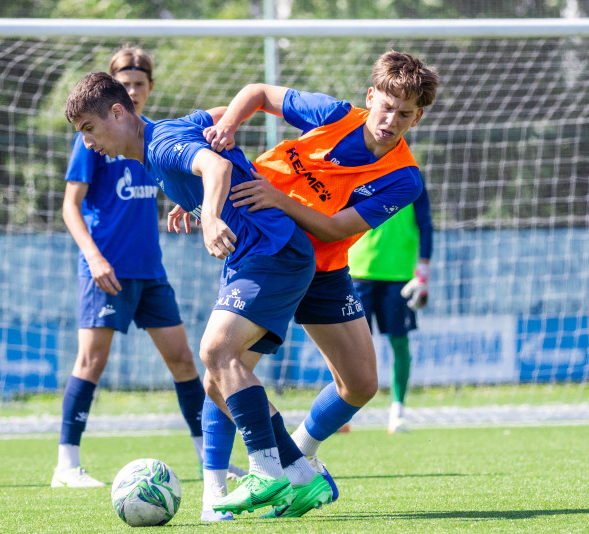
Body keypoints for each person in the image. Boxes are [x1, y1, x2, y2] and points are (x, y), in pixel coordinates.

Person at [65, 72, 331, 520]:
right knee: (217, 378)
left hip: (272, 252)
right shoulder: (165, 135)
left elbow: (217, 167)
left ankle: (266, 470)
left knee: (215, 349)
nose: (88, 142)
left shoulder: (160, 146)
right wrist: (191, 196)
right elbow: (213, 124)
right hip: (263, 255)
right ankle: (301, 475)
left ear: (117, 113)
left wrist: (208, 214)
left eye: (89, 128)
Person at [199, 50, 439, 517]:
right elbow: (257, 93)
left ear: (418, 117)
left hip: (325, 269)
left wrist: (277, 198)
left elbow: (334, 230)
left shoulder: (404, 179)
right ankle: (216, 493)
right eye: (386, 107)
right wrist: (226, 131)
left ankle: (299, 453)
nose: (391, 120)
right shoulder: (336, 115)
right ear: (372, 97)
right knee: (220, 374)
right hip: (268, 254)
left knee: (361, 384)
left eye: (405, 114)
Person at [52, 46, 208, 489]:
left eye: (141, 83)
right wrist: (94, 257)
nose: (135, 90)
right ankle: (67, 466)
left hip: (150, 269)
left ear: (148, 88)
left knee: (182, 359)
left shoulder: (153, 139)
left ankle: (206, 458)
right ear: (117, 92)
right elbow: (70, 206)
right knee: (91, 361)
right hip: (107, 269)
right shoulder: (95, 140)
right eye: (128, 83)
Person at [349, 178, 433, 434]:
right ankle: (342, 411)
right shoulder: (357, 171)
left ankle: (397, 411)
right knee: (350, 346)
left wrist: (423, 270)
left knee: (399, 341)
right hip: (357, 271)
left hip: (399, 276)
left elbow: (425, 224)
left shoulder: (412, 177)